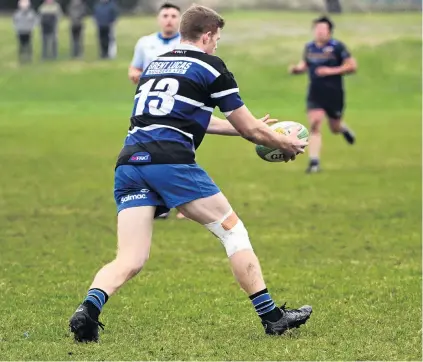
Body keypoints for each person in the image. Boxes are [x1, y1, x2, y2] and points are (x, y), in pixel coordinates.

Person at [69, 4, 312, 343]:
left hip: (130, 162)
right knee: (233, 232)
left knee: (130, 258)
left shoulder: (157, 65)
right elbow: (250, 130)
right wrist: (283, 143)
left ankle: (88, 309)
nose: (216, 46)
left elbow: (184, 117)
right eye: (217, 39)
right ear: (208, 35)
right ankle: (273, 317)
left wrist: (251, 129)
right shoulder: (210, 66)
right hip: (170, 163)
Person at [129, 2, 183, 219]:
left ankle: (183, 205)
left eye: (173, 15)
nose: (169, 19)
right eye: (165, 15)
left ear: (180, 20)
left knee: (178, 154)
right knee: (150, 155)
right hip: (149, 111)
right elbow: (135, 67)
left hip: (179, 108)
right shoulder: (145, 43)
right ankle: (159, 203)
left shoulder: (185, 44)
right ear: (159, 18)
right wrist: (134, 74)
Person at [289, 16, 357, 173]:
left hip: (334, 94)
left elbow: (352, 66)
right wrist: (297, 69)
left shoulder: (337, 47)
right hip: (315, 93)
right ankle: (314, 162)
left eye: (323, 29)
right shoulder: (310, 47)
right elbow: (305, 64)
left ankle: (344, 129)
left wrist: (331, 71)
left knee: (335, 127)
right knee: (315, 124)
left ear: (329, 32)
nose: (319, 32)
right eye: (317, 29)